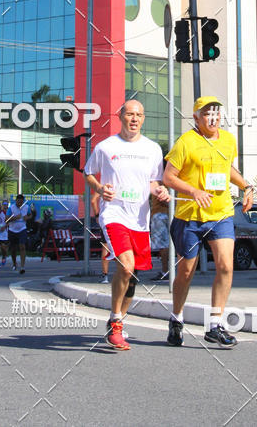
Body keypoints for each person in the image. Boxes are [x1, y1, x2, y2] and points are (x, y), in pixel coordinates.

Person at [162, 96, 253, 348]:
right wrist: (194, 191)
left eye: (216, 113)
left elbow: (227, 168)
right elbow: (168, 177)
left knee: (225, 266)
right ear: (197, 118)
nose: (212, 118)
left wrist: (246, 185)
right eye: (206, 114)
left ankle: (215, 324)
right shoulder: (186, 143)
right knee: (186, 271)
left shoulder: (227, 140)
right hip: (189, 216)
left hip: (220, 213)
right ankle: (177, 318)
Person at [84, 99, 170, 351]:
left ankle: (117, 320)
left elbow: (154, 183)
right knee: (127, 264)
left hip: (140, 219)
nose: (134, 118)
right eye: (130, 114)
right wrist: (100, 188)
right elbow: (88, 172)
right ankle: (116, 321)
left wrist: (161, 192)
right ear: (120, 116)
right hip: (114, 214)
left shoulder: (153, 149)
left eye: (139, 115)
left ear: (143, 119)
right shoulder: (105, 146)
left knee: (132, 274)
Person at [5, 194, 30, 274]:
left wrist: (28, 217)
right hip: (12, 230)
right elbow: (6, 219)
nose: (20, 204)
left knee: (22, 246)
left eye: (21, 202)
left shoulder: (26, 207)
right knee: (13, 249)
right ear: (16, 201)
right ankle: (14, 263)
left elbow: (30, 214)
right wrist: (15, 217)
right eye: (19, 202)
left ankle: (22, 266)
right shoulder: (11, 208)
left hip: (22, 229)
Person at [91, 191, 110, 284]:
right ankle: (127, 273)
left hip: (106, 218)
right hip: (121, 218)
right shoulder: (122, 184)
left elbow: (93, 201)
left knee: (106, 246)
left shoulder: (103, 186)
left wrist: (97, 216)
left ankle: (105, 276)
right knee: (122, 246)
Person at [150, 191, 170, 281]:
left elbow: (163, 199)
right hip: (168, 214)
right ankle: (166, 271)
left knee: (163, 245)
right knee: (167, 244)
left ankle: (165, 271)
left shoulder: (159, 181)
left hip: (159, 213)